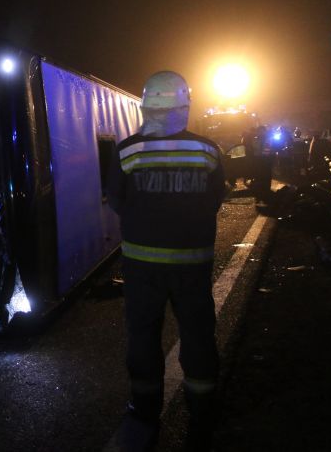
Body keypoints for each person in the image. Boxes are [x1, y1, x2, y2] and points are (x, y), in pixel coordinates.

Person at [106, 71, 225, 451]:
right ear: (185, 107)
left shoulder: (127, 151)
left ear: (146, 107)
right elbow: (215, 200)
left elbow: (116, 200)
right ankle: (202, 410)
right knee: (198, 335)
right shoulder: (207, 151)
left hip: (142, 267)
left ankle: (144, 410)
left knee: (143, 336)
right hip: (193, 266)